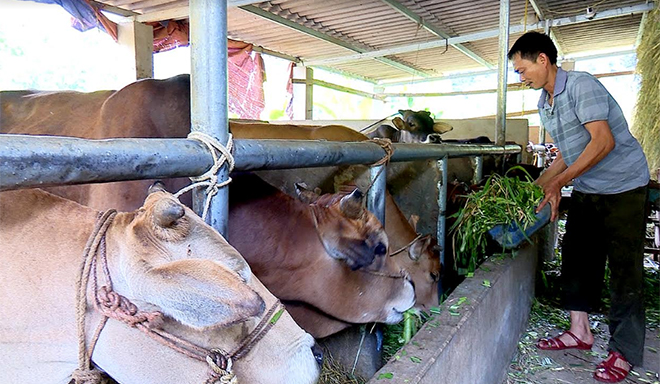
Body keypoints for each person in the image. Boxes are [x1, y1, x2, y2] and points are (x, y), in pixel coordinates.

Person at [508, 31, 650, 383]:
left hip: (624, 186)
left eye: (522, 69)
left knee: (623, 271)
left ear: (543, 59)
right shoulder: (545, 102)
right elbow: (567, 157)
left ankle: (624, 351)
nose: (520, 77)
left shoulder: (581, 86)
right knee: (576, 258)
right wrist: (534, 189)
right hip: (589, 186)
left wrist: (558, 183)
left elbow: (603, 142)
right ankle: (580, 332)